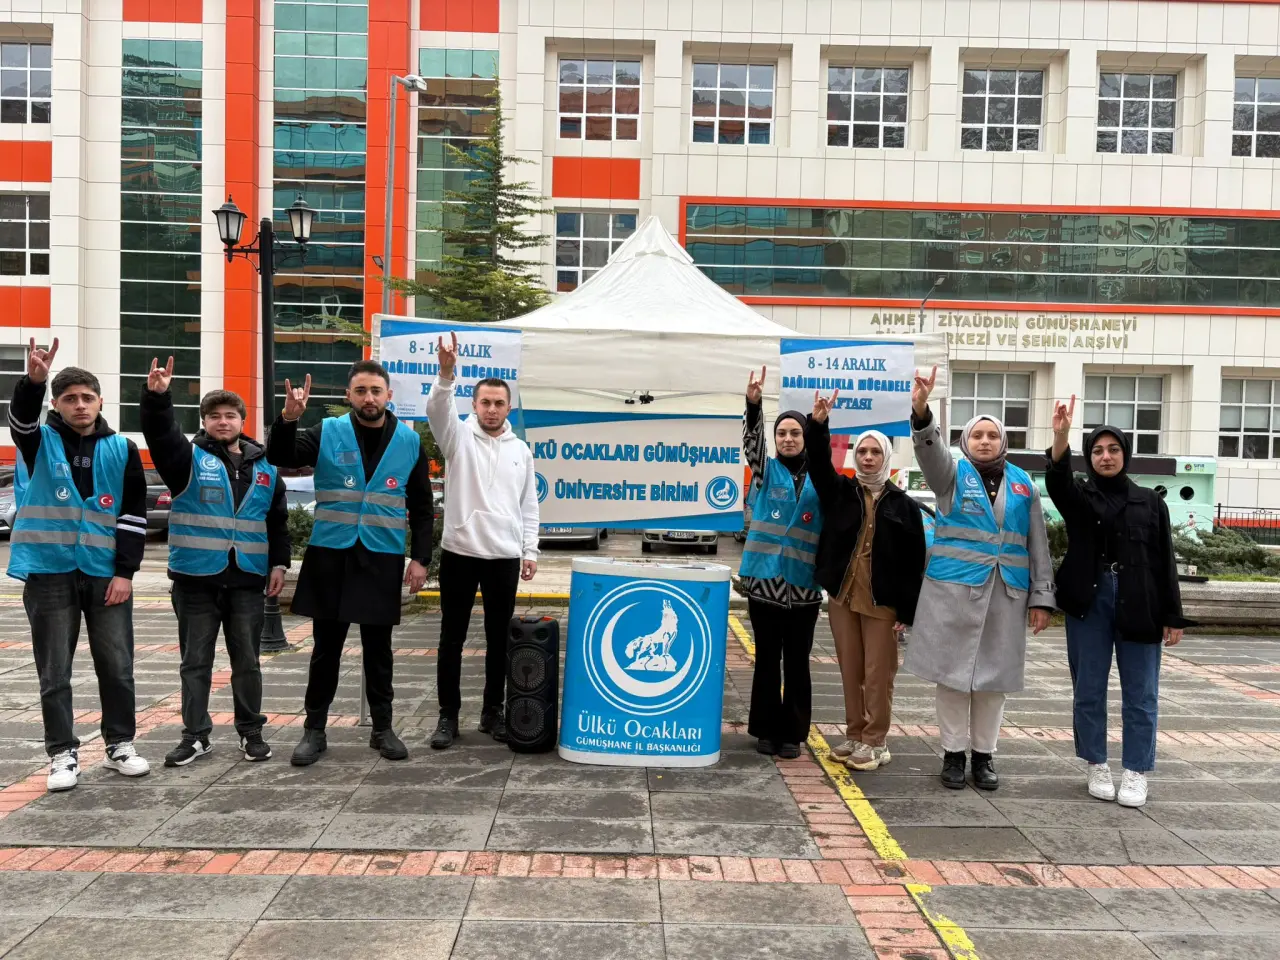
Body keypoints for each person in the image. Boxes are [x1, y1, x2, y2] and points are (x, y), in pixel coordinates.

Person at [266, 361, 432, 766]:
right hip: (332, 553)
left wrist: (421, 559)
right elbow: (281, 456)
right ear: (348, 396)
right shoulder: (327, 431)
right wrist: (288, 418)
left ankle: (383, 728)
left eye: (376, 390)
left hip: (381, 555)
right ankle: (314, 729)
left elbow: (423, 506)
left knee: (379, 650)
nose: (369, 398)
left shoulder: (410, 443)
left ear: (389, 395)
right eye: (360, 391)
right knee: (326, 649)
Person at [6, 339, 151, 791]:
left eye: (87, 397)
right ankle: (62, 754)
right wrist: (33, 381)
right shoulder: (38, 441)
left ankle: (120, 744)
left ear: (101, 401)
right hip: (49, 569)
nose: (80, 405)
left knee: (117, 664)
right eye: (70, 398)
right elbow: (21, 421)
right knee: (54, 670)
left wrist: (126, 572)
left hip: (105, 573)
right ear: (58, 403)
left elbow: (132, 514)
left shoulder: (122, 448)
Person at [906, 366, 1055, 791]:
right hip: (953, 593)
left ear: (1003, 441)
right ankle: (953, 755)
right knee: (952, 679)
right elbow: (930, 454)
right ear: (965, 441)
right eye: (977, 436)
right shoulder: (950, 474)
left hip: (1005, 595)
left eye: (992, 436)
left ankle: (985, 757)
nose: (985, 441)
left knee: (993, 683)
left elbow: (1037, 544)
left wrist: (1042, 598)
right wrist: (922, 412)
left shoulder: (1024, 484)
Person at [140, 358, 291, 766]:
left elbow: (277, 521)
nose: (223, 421)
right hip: (195, 579)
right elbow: (159, 434)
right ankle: (195, 735)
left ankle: (251, 731)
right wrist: (157, 398)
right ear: (203, 421)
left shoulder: (265, 468)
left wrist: (279, 564)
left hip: (246, 578)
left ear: (242, 420)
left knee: (247, 661)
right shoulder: (185, 459)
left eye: (230, 415)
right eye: (214, 416)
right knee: (195, 662)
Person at [1046, 396, 1187, 808]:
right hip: (1089, 601)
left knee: (1141, 692)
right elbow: (1056, 480)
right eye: (1097, 451)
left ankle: (1136, 771)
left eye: (1113, 449)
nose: (1105, 457)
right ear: (1089, 458)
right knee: (1088, 687)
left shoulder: (1150, 501)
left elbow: (1165, 562)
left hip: (1139, 602)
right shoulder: (1081, 498)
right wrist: (1060, 436)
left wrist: (1172, 615)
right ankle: (1096, 763)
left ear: (1125, 453)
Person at [426, 332, 539, 750]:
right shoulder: (456, 438)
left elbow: (529, 506)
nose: (491, 409)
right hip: (459, 553)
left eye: (499, 403)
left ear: (508, 407)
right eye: (484, 402)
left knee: (499, 642)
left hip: (503, 558)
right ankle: (447, 717)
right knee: (450, 640)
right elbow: (437, 409)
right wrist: (446, 373)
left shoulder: (520, 451)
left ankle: (493, 713)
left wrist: (530, 550)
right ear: (474, 405)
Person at [805, 394, 926, 771]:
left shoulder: (904, 505)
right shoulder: (840, 491)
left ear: (886, 457)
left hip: (882, 601)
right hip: (844, 595)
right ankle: (855, 733)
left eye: (875, 451)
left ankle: (876, 740)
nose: (868, 457)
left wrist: (907, 611)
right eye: (862, 451)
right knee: (850, 668)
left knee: (878, 673)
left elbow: (913, 563)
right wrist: (818, 425)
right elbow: (819, 466)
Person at [739, 367, 823, 760]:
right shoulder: (764, 471)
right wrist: (754, 405)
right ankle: (766, 730)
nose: (788, 439)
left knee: (798, 663)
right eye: (782, 433)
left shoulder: (821, 477)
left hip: (804, 586)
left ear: (805, 438)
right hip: (764, 585)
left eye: (795, 433)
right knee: (767, 660)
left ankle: (793, 733)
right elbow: (751, 442)